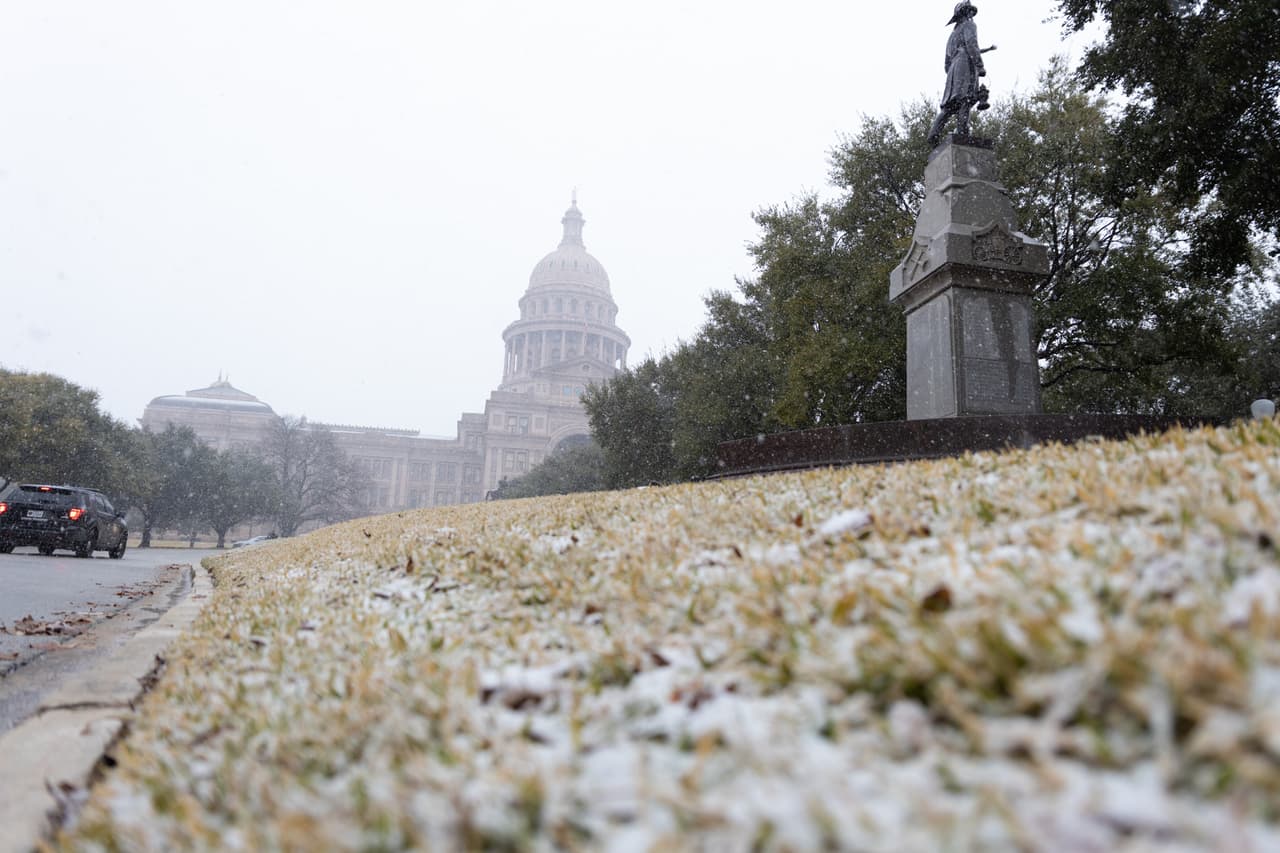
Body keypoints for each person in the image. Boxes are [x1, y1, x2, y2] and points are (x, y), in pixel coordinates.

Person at [927, 1, 990, 147]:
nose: (971, 16)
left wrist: (952, 72)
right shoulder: (969, 26)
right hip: (965, 64)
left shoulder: (952, 35)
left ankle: (933, 133)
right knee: (965, 100)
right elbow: (972, 44)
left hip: (953, 70)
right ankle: (963, 133)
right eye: (970, 12)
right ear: (965, 13)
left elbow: (946, 62)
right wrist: (980, 66)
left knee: (950, 104)